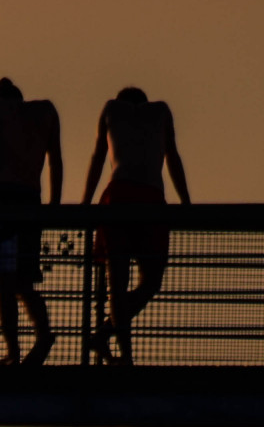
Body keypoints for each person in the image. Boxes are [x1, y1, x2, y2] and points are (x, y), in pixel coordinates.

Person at [81, 86, 189, 364]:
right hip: (150, 198)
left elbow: (98, 157)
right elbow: (172, 156)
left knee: (118, 283)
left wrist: (85, 202)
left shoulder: (112, 109)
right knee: (149, 282)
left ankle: (115, 342)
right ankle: (111, 340)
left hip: (119, 197)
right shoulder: (160, 111)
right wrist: (186, 201)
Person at [0, 78, 62, 367]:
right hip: (31, 199)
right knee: (23, 281)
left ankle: (14, 351)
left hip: (3, 198)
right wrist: (54, 204)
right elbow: (56, 161)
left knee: (5, 282)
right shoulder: (43, 114)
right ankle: (42, 334)